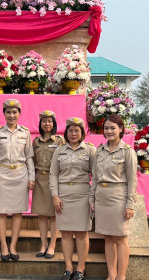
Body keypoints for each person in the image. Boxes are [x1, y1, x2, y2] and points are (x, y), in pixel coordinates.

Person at [90, 114, 137, 280]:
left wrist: (130, 204)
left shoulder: (127, 152)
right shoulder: (99, 151)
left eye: (113, 128)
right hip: (102, 197)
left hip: (119, 197)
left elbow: (132, 180)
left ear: (121, 129)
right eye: (106, 128)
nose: (109, 131)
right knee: (108, 238)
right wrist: (92, 199)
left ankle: (121, 276)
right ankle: (112, 274)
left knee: (121, 238)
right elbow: (95, 177)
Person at [0, 99, 35, 262]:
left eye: (15, 112)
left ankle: (13, 245)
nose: (11, 115)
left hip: (21, 174)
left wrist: (31, 176)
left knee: (17, 212)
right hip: (3, 175)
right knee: (1, 212)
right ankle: (3, 246)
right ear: (4, 114)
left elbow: (29, 156)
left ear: (19, 114)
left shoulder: (25, 132)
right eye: (8, 112)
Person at [50, 117, 95, 280]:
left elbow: (95, 175)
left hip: (82, 194)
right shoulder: (59, 151)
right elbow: (53, 174)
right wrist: (55, 195)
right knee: (66, 233)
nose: (73, 133)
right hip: (63, 195)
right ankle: (68, 267)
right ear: (66, 132)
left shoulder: (90, 150)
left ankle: (81, 269)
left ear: (82, 132)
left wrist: (92, 198)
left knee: (82, 233)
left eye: (77, 130)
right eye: (70, 130)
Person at [32, 110, 64, 259]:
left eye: (50, 121)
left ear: (54, 124)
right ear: (40, 124)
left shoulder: (59, 141)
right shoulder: (36, 142)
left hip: (54, 180)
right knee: (41, 215)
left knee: (54, 215)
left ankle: (52, 245)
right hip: (39, 179)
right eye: (44, 121)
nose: (47, 124)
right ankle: (43, 244)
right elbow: (32, 162)